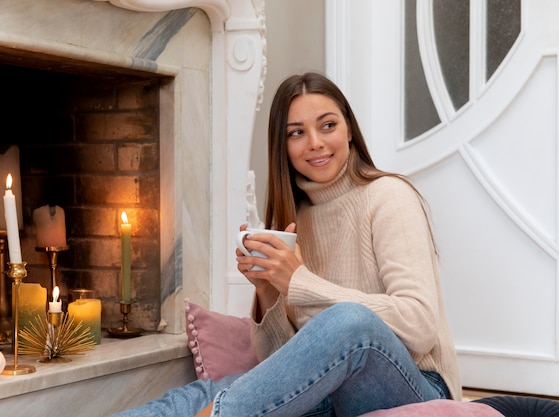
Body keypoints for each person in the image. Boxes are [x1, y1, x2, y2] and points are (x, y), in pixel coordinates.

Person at [110, 72, 460, 417]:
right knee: (208, 391)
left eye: (327, 125)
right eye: (297, 133)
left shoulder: (388, 197)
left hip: (415, 384)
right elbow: (283, 366)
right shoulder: (297, 218)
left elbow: (420, 325)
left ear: (349, 130)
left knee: (350, 321)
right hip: (334, 389)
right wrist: (268, 291)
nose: (315, 143)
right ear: (284, 146)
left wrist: (299, 282)